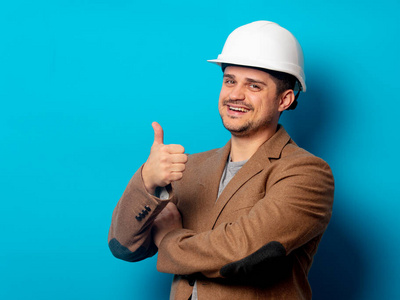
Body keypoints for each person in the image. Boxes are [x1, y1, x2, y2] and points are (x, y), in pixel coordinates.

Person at [108, 21, 334, 300]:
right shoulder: (190, 168)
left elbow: (242, 253)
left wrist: (169, 238)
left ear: (284, 99)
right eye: (230, 81)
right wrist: (147, 183)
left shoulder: (306, 173)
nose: (235, 94)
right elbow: (124, 246)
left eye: (254, 85)